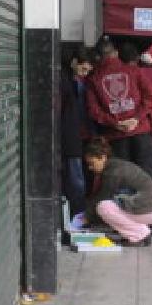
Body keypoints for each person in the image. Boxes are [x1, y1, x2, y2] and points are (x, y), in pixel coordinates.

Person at [84, 39, 152, 186]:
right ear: (116, 53)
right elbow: (151, 96)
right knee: (147, 175)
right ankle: (150, 206)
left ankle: (124, 208)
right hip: (140, 130)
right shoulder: (134, 71)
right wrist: (137, 118)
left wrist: (115, 123)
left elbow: (94, 111)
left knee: (121, 178)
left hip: (115, 136)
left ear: (98, 57)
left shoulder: (93, 79)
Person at [119, 41, 152, 237]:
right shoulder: (146, 73)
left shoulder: (119, 75)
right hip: (144, 130)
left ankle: (127, 218)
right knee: (149, 174)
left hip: (120, 132)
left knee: (124, 175)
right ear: (138, 58)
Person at [81, 137, 152, 247]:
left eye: (92, 163)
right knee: (108, 206)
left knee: (103, 207)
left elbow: (102, 197)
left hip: (150, 210)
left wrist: (86, 217)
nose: (90, 168)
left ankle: (139, 235)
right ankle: (140, 230)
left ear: (102, 157)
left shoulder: (113, 172)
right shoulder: (116, 166)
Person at [59, 46, 96, 215]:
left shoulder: (78, 82)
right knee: (76, 180)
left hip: (80, 137)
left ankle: (79, 214)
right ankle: (79, 215)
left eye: (88, 70)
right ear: (74, 62)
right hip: (71, 138)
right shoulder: (64, 81)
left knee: (80, 179)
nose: (85, 73)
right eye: (83, 68)